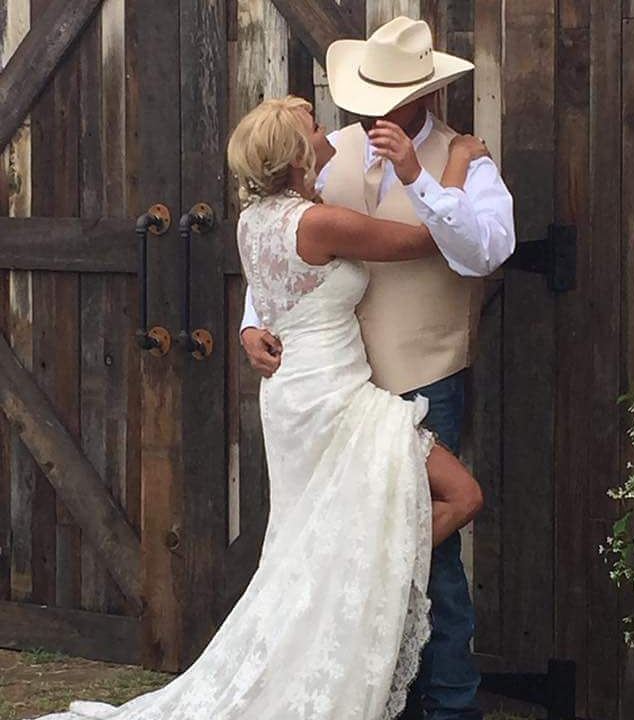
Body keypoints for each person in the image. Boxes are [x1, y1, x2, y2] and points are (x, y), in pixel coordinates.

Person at [22, 95, 487, 720]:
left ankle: (334, 593)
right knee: (463, 495)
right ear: (297, 157)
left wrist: (248, 329)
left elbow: (271, 296)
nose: (328, 132)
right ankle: (348, 591)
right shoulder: (318, 223)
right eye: (314, 128)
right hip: (334, 401)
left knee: (310, 532)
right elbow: (428, 239)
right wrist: (455, 162)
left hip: (293, 398)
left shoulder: (252, 221)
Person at [240, 16, 516, 720]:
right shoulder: (324, 153)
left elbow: (482, 254)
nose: (369, 116)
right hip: (334, 389)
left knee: (436, 564)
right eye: (365, 99)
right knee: (338, 529)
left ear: (425, 95)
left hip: (421, 376)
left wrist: (424, 176)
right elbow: (282, 242)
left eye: (388, 99)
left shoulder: (468, 159)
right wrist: (252, 323)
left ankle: (448, 706)